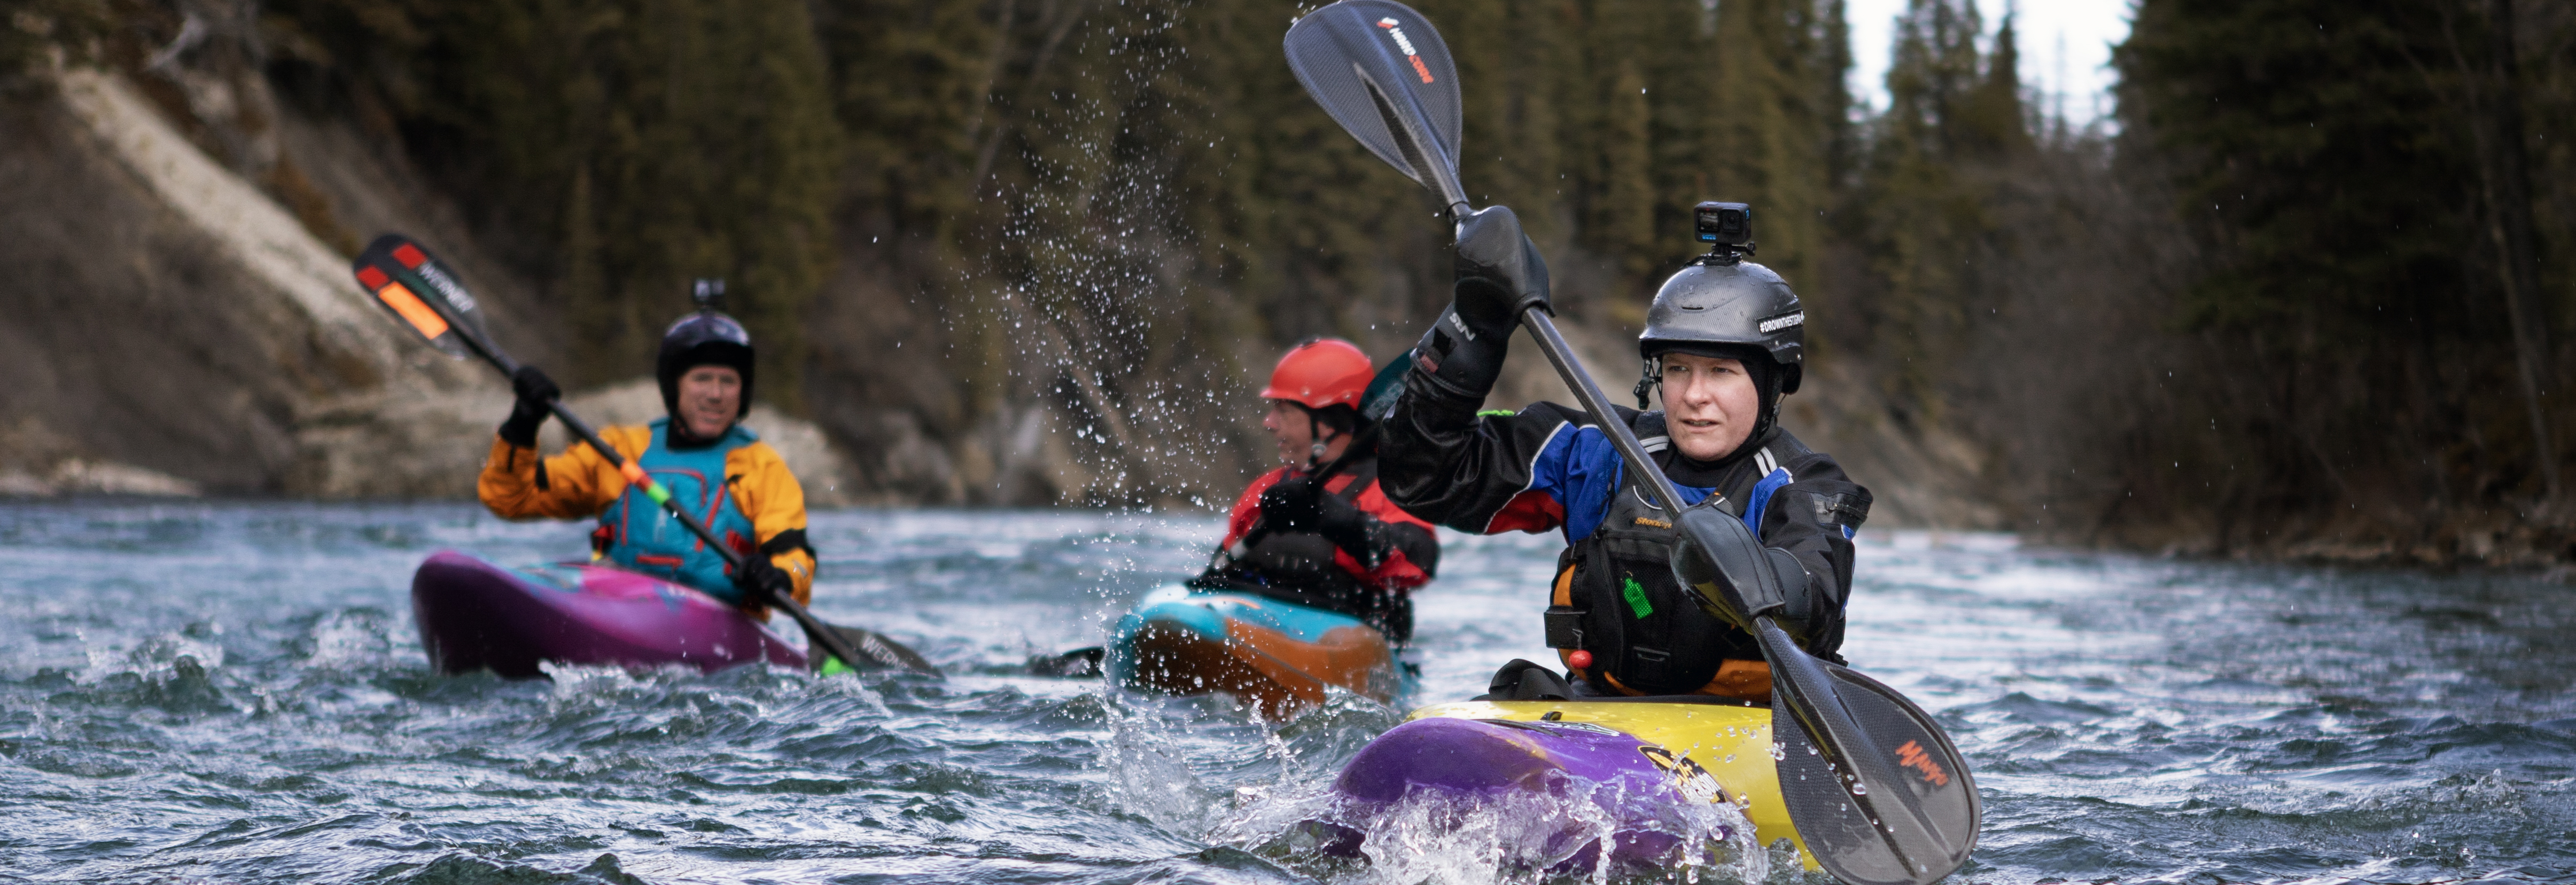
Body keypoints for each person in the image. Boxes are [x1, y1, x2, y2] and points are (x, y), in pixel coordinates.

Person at [1378, 206, 1871, 701]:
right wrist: (1473, 325)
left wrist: (1743, 570)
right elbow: (1424, 477)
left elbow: (1815, 596)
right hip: (1605, 712)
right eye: (1677, 369)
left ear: (1774, 381)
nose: (1694, 395)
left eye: (1721, 371)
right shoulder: (1598, 451)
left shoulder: (1801, 485)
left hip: (1749, 718)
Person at [476, 286, 815, 615]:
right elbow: (510, 498)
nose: (715, 394)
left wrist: (779, 577)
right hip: (619, 609)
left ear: (743, 392)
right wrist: (522, 425)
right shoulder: (619, 450)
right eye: (702, 378)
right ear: (674, 386)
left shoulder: (760, 467)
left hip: (721, 623)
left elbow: (796, 558)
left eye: (728, 381)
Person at [1194, 339, 1441, 643]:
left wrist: (1339, 519)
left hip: (1347, 633)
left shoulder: (1390, 488)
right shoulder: (1267, 487)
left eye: (1283, 411)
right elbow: (1221, 569)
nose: (1269, 423)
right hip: (1263, 619)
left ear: (1325, 423)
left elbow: (1419, 564)